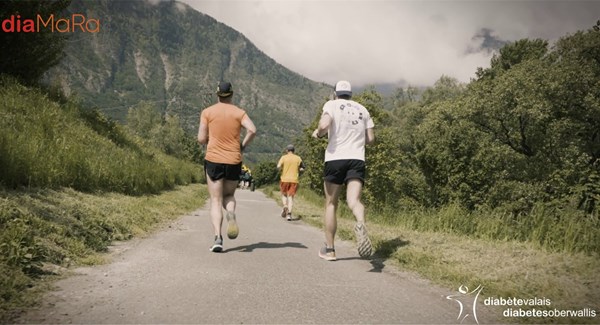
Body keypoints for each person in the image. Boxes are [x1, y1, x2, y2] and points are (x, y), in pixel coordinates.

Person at [311, 80, 375, 261]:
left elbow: (324, 126)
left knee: (331, 203)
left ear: (335, 93)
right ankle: (361, 224)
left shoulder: (331, 105)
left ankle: (330, 250)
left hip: (335, 158)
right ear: (351, 94)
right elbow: (370, 139)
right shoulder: (363, 109)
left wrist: (317, 133)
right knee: (354, 201)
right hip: (357, 159)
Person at [197, 81, 256, 252]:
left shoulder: (207, 112)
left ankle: (218, 238)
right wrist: (242, 146)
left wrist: (210, 138)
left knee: (215, 200)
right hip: (233, 160)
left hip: (214, 159)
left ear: (217, 94)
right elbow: (252, 130)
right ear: (231, 94)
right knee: (228, 195)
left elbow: (201, 139)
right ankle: (231, 214)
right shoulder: (239, 113)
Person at [276, 144, 305, 221]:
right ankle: (289, 214)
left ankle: (285, 206)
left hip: (284, 179)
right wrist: (299, 170)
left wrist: (281, 169)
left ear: (287, 151)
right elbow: (302, 168)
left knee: (284, 195)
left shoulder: (283, 157)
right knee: (291, 197)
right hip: (294, 180)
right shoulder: (298, 158)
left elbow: (278, 166)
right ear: (294, 151)